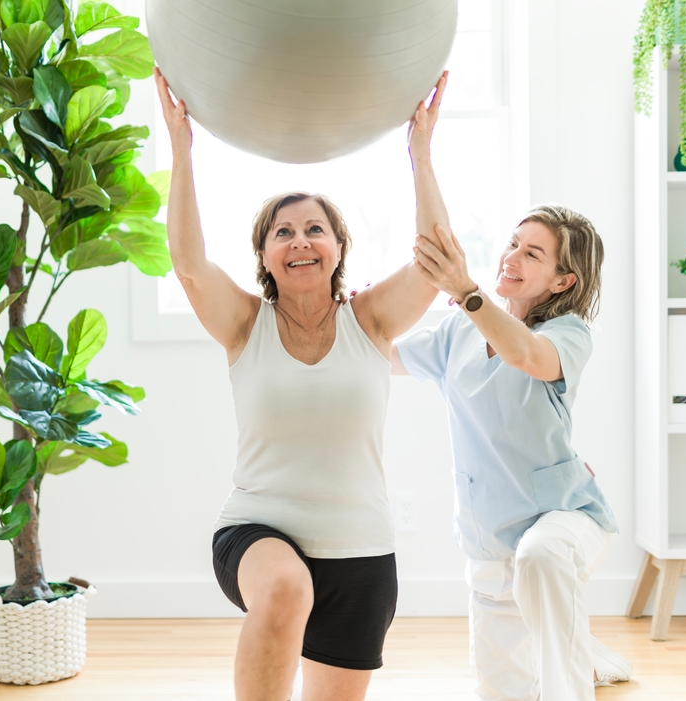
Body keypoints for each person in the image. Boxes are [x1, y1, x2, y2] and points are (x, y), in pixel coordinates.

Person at [154, 67, 450, 701]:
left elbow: (434, 260)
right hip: (258, 530)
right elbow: (186, 262)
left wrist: (419, 153)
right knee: (287, 588)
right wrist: (181, 148)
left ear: (339, 246)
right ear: (264, 256)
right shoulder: (243, 325)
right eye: (281, 232)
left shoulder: (371, 321)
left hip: (362, 554)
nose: (300, 241)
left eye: (315, 228)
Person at [392, 192, 633, 697]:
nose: (512, 257)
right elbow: (380, 358)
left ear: (563, 281)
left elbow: (526, 354)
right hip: (488, 541)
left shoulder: (569, 333)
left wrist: (464, 287)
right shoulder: (457, 331)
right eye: (513, 244)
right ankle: (589, 654)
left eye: (533, 254)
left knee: (540, 557)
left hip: (563, 518)